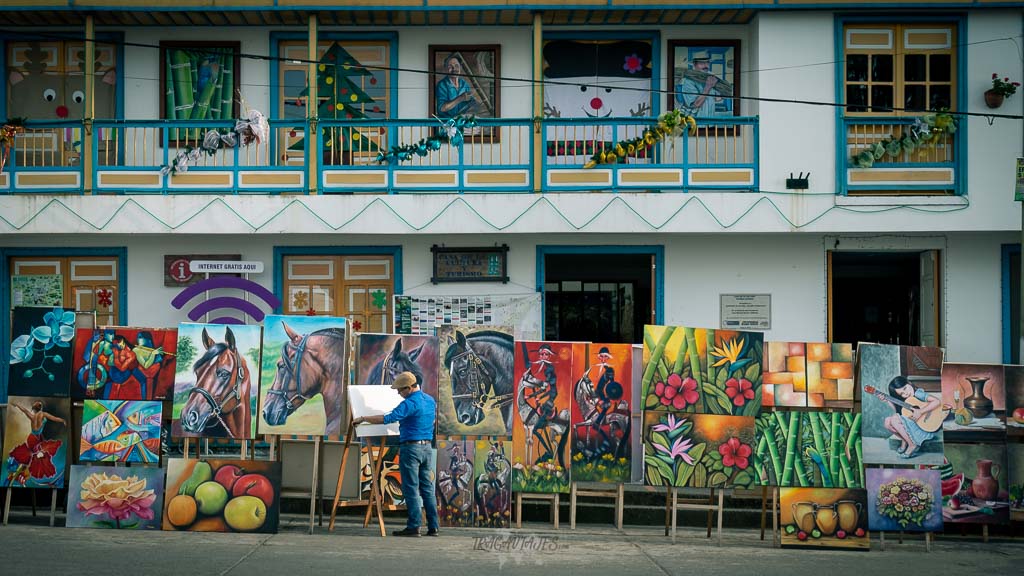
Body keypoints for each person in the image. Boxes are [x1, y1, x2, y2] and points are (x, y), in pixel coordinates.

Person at [352, 371, 439, 537]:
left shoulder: (409, 403)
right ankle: (433, 527)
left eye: (400, 390)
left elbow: (389, 418)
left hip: (411, 449)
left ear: (408, 388)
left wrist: (363, 418)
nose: (398, 394)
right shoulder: (429, 400)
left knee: (411, 488)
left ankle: (414, 526)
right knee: (427, 489)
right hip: (427, 448)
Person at [873, 375, 941, 459]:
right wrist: (887, 400)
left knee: (894, 419)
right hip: (915, 425)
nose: (906, 393)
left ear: (909, 383)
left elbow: (937, 401)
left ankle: (912, 444)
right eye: (902, 394)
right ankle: (905, 440)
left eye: (905, 388)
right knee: (887, 422)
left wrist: (920, 411)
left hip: (924, 426)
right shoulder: (907, 400)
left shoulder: (918, 394)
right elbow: (898, 411)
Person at [435, 55, 475, 119]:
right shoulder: (442, 85)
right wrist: (460, 98)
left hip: (462, 121)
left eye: (456, 66)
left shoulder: (464, 84)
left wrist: (472, 101)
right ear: (446, 68)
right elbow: (442, 108)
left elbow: (470, 103)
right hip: (447, 123)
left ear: (460, 68)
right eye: (450, 66)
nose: (454, 69)